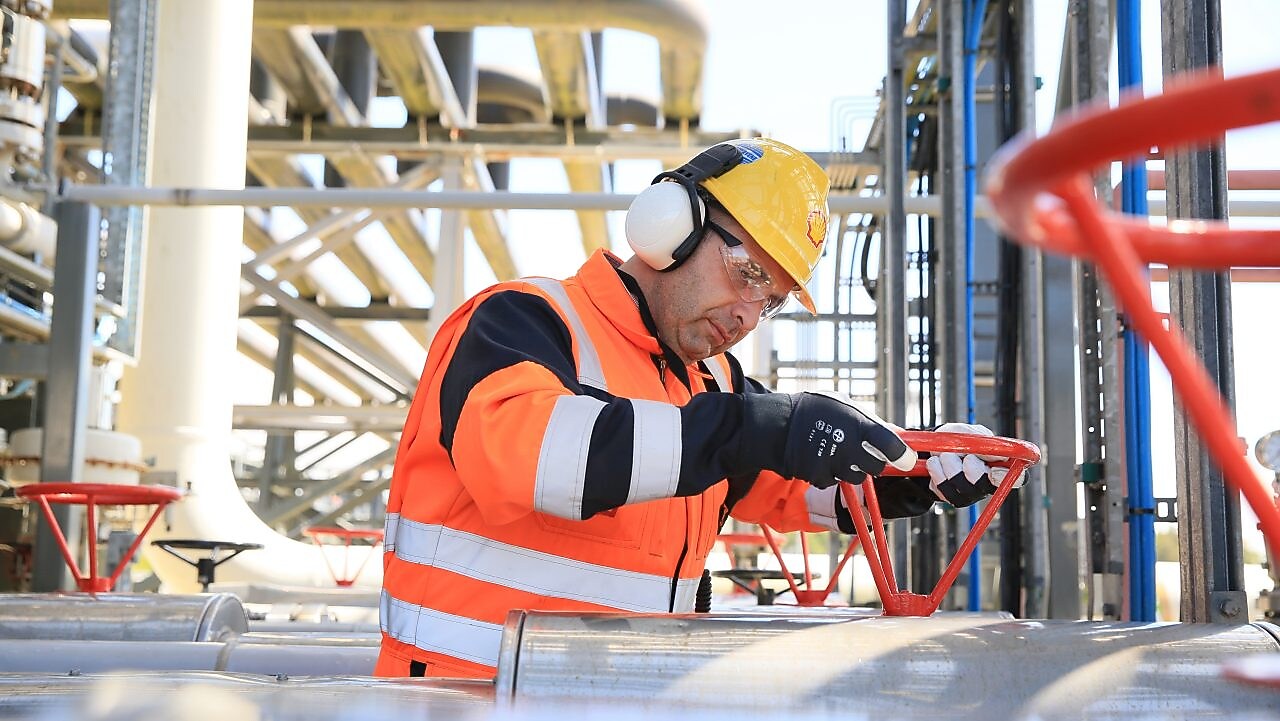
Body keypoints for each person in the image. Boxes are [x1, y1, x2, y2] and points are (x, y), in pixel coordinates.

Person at [375, 138, 1009, 679]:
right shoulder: (525, 320)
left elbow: (799, 483)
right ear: (670, 225)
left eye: (773, 300)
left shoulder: (712, 387)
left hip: (620, 703)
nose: (748, 316)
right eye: (748, 273)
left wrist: (921, 469)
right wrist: (751, 428)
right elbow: (532, 460)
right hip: (458, 701)